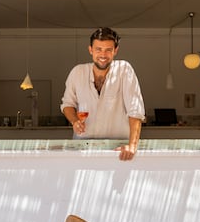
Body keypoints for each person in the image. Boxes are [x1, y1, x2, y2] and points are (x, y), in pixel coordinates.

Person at [60, 27, 145, 161]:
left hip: (117, 150)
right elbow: (67, 104)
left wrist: (132, 145)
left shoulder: (124, 70)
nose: (103, 55)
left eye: (108, 50)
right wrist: (74, 121)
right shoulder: (77, 72)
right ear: (90, 50)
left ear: (115, 51)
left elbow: (135, 111)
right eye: (98, 49)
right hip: (82, 149)